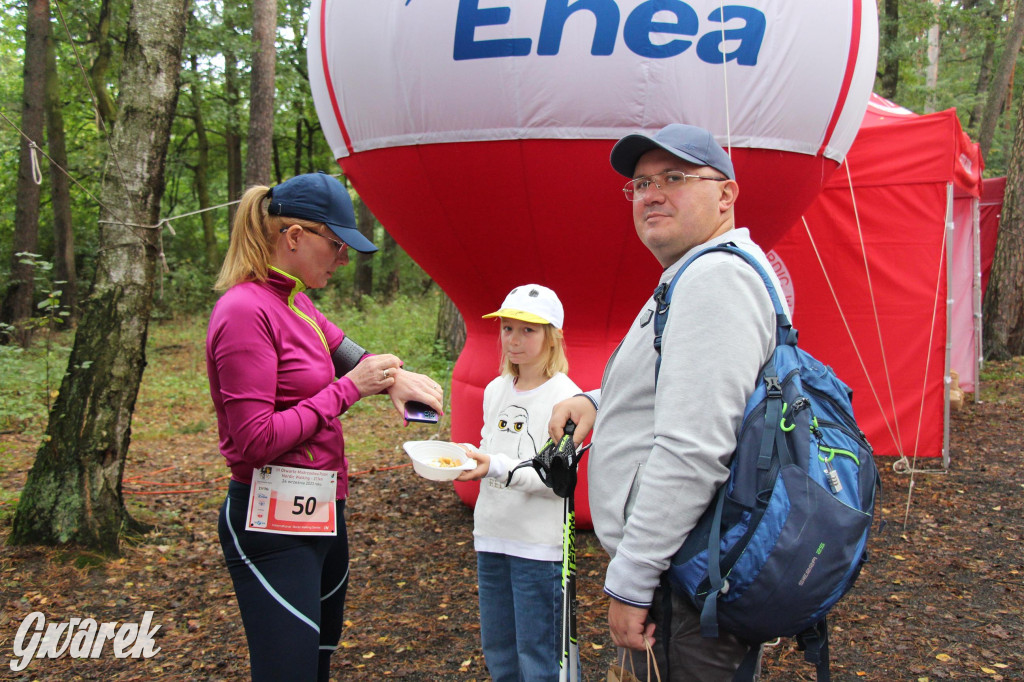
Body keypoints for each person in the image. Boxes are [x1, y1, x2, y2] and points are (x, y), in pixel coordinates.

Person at [548, 124, 790, 681]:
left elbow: (693, 447)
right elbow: (684, 390)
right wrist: (598, 401)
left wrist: (631, 581)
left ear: (725, 194)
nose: (651, 194)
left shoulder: (714, 280)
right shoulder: (701, 272)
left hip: (681, 582)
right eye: (640, 183)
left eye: (674, 178)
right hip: (686, 570)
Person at [206, 172, 444, 682]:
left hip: (320, 512)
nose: (342, 259)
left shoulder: (295, 299)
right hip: (268, 524)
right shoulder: (245, 310)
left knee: (316, 664)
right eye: (335, 245)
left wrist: (395, 379)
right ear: (293, 237)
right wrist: (351, 389)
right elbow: (254, 441)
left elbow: (341, 347)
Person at [454, 284, 581, 682]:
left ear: (552, 336)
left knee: (539, 659)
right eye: (508, 328)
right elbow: (492, 448)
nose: (514, 339)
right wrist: (468, 457)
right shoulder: (495, 390)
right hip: (491, 537)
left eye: (528, 330)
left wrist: (492, 466)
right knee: (501, 654)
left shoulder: (568, 397)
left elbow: (555, 479)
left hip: (539, 549)